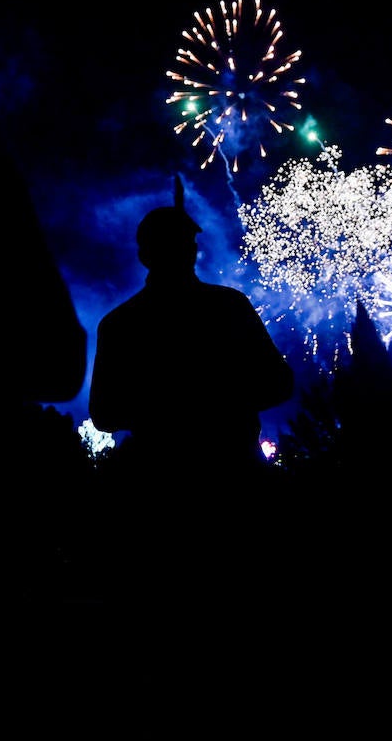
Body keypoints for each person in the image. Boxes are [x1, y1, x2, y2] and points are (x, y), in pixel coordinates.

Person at [88, 202, 294, 590]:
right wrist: (217, 401)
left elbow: (105, 413)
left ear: (143, 253)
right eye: (182, 243)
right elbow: (279, 382)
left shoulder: (120, 324)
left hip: (161, 496)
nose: (187, 251)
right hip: (228, 487)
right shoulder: (228, 307)